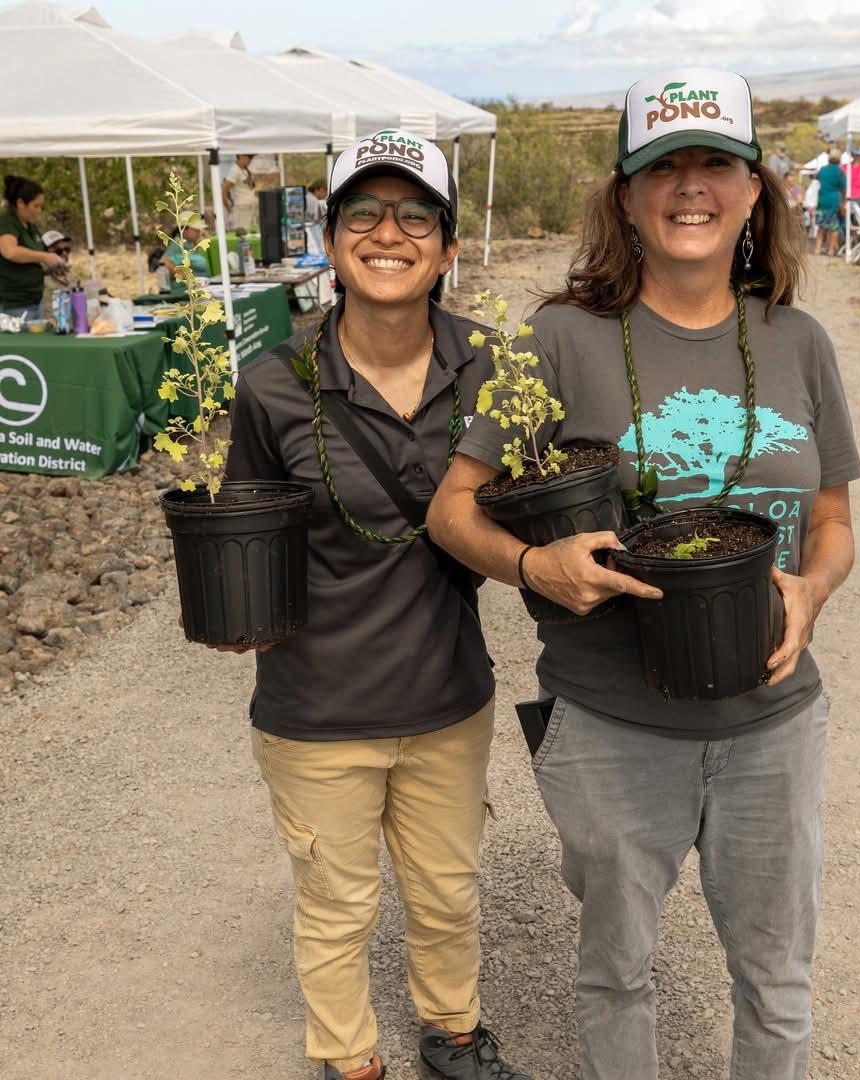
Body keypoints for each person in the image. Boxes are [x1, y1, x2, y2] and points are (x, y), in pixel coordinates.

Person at [429, 66, 860, 1080]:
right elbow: (452, 508)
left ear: (756, 188)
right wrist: (534, 561)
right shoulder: (556, 340)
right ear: (625, 196)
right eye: (662, 167)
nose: (689, 187)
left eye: (715, 162)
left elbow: (835, 519)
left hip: (776, 725)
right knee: (617, 971)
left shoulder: (798, 340)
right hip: (613, 727)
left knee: (778, 981)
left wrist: (813, 586)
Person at [223, 129, 532, 1080]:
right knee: (337, 902)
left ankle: (452, 1035)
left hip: (448, 695)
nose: (386, 232)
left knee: (447, 891)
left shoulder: (493, 365)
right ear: (329, 238)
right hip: (319, 707)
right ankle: (349, 1059)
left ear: (444, 243)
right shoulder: (274, 383)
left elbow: (538, 497)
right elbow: (241, 528)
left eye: (412, 215)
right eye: (362, 212)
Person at [0, 175, 65, 318]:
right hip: (13, 305)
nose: (39, 211)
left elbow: (29, 260)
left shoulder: (30, 227)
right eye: (36, 206)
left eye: (41, 206)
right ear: (20, 203)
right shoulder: (6, 222)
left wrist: (51, 267)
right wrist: (45, 256)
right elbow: (9, 251)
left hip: (33, 302)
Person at [814, 148, 846, 257]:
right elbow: (843, 189)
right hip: (834, 201)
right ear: (839, 160)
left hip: (822, 200)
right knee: (834, 228)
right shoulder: (840, 172)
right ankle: (831, 250)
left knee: (821, 227)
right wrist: (844, 202)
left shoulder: (823, 170)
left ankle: (817, 249)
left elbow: (816, 178)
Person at [161, 215, 211, 280]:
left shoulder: (188, 244)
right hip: (183, 288)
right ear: (184, 229)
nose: (199, 233)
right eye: (196, 230)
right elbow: (164, 263)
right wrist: (189, 279)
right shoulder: (177, 245)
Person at [222, 153, 258, 232]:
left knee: (252, 233)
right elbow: (224, 189)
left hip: (252, 207)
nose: (250, 160)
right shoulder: (234, 170)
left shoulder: (246, 170)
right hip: (242, 209)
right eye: (249, 157)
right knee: (243, 234)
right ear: (241, 156)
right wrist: (228, 208)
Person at [842, 147, 860, 221]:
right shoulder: (845, 166)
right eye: (856, 155)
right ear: (853, 155)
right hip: (847, 197)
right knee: (845, 220)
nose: (858, 157)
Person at [803, 173, 820, 239]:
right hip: (810, 205)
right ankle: (812, 234)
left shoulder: (815, 184)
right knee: (811, 220)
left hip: (811, 205)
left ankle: (813, 234)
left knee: (812, 220)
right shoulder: (813, 184)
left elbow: (813, 196)